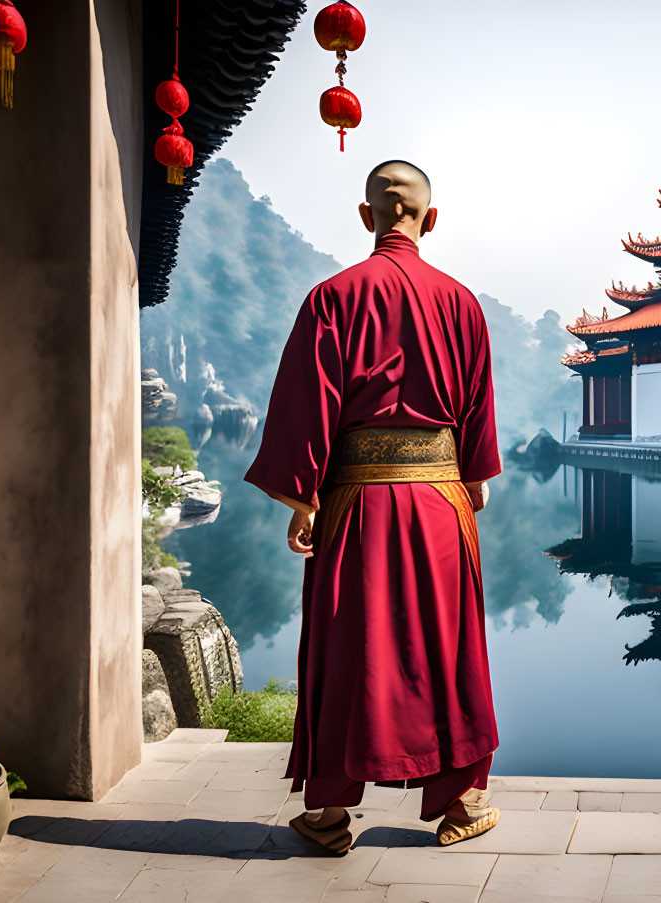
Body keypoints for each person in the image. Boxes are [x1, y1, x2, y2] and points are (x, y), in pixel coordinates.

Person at [243, 160, 501, 854]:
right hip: (442, 501)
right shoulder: (461, 302)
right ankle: (460, 803)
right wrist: (470, 478)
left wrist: (302, 499)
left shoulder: (332, 296)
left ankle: (328, 817)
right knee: (445, 649)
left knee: (347, 646)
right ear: (430, 218)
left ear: (366, 217)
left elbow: (308, 407)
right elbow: (475, 411)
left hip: (355, 500)